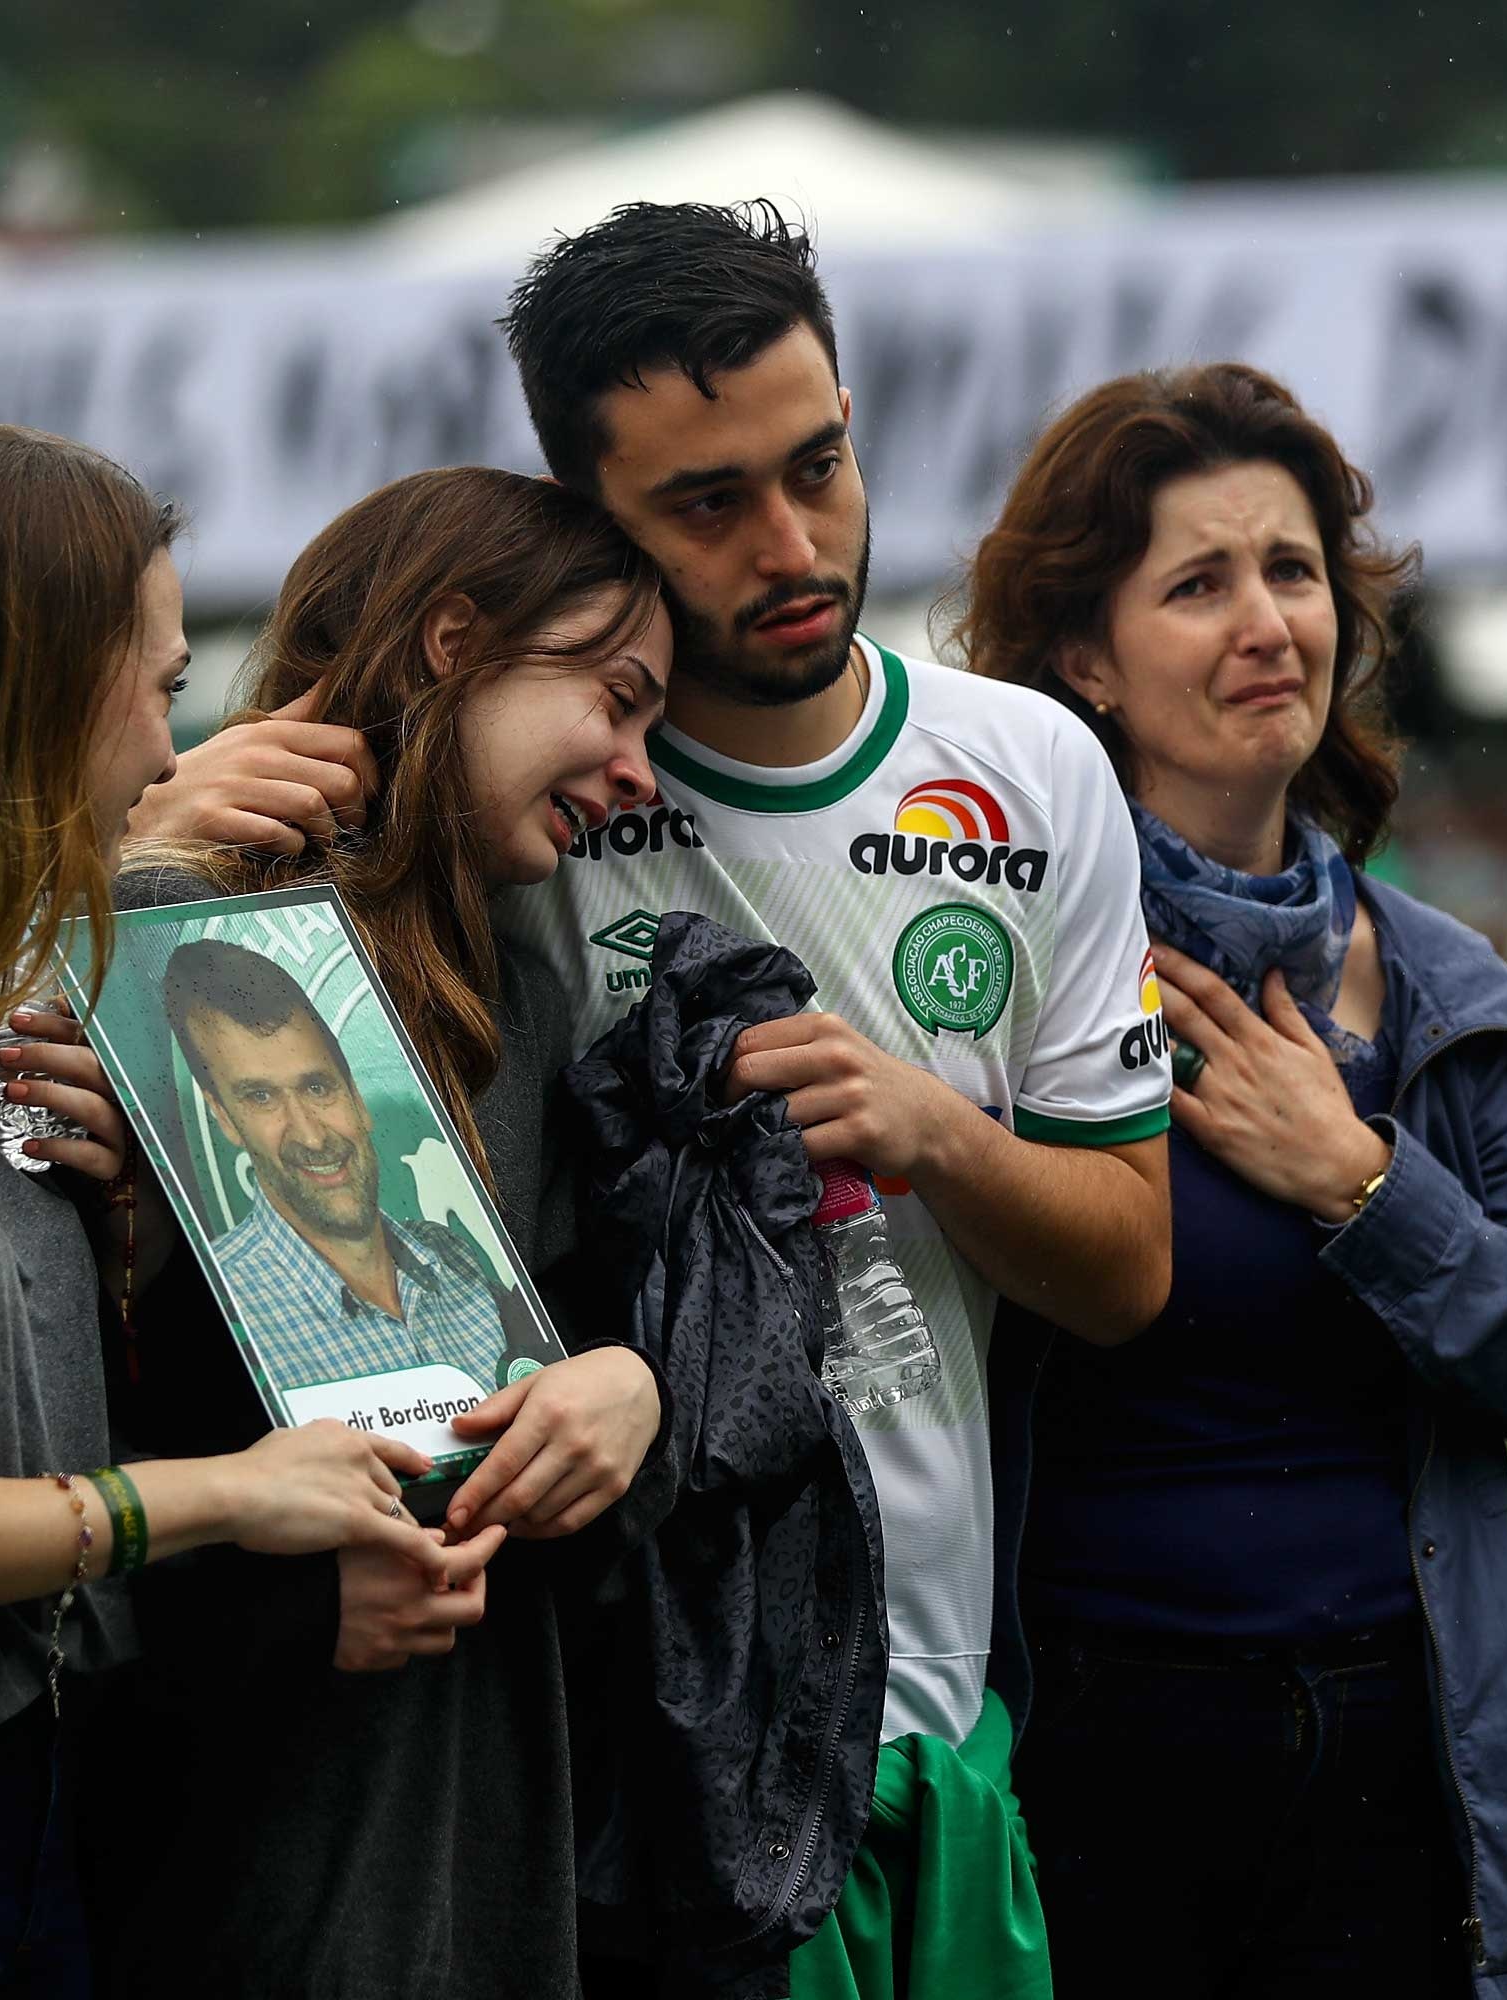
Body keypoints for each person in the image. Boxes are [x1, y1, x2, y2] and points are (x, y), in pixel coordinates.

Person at [492, 198, 1174, 1994]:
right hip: (620, 1738)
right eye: (708, 504)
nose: (793, 546)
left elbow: (1126, 1270)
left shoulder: (1027, 769)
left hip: (931, 1709)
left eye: (820, 467)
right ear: (585, 510)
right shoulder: (518, 806)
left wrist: (937, 1135)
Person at [956, 361, 1507, 2000]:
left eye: (1292, 570)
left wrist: (1361, 1182)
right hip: (1082, 1751)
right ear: (1084, 659)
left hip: (1392, 1756)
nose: (1268, 622)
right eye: (1198, 584)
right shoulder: (993, 967)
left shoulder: (1444, 989)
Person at [0, 424, 443, 2000]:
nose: (167, 752)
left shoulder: (2, 994)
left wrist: (141, 1209)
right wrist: (217, 1500)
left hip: (44, 1780)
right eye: (155, 688)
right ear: (22, 688)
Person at [95, 466, 672, 1998]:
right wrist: (275, 1608)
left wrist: (627, 1393)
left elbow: (546, 1386)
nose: (634, 771)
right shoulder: (147, 941)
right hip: (229, 1869)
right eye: (613, 699)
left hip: (480, 1857)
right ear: (453, 640)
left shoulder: (521, 1000)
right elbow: (44, 1454)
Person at [160, 938, 536, 1392]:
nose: (311, 1136)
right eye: (261, 1097)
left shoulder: (454, 1256)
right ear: (224, 1117)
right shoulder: (219, 1302)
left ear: (356, 1096)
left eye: (318, 1087)